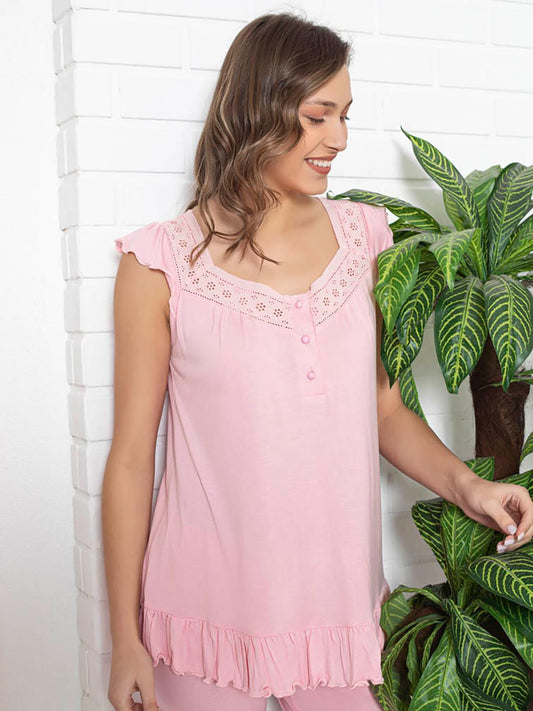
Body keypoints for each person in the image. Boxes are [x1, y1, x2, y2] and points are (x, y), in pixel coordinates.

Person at [102, 11, 533, 711]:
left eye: (344, 115)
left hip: (338, 615)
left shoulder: (368, 239)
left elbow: (383, 407)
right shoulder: (159, 262)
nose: (338, 138)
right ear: (257, 109)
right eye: (316, 116)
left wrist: (469, 488)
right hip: (201, 621)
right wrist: (125, 636)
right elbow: (128, 459)